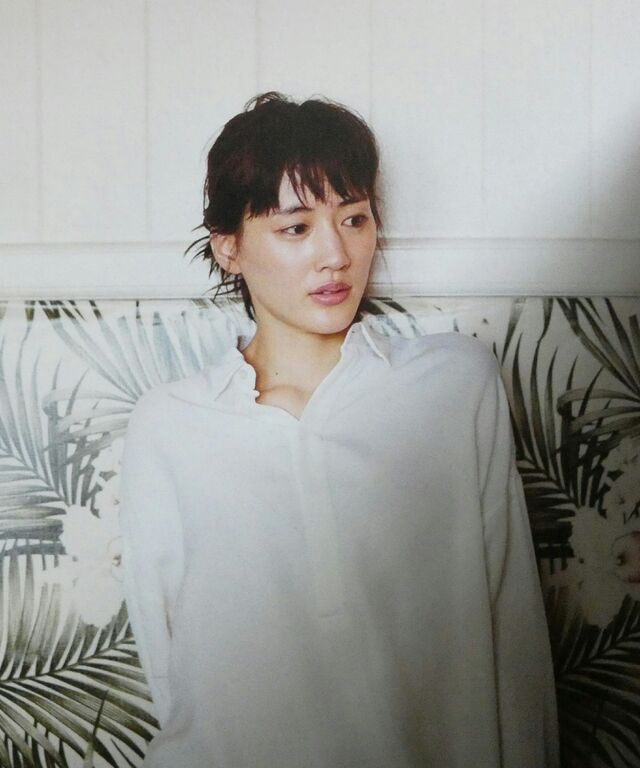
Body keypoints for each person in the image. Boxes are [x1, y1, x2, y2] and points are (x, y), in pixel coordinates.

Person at [118, 91, 560, 767]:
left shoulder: (454, 386)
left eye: (354, 219)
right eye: (295, 228)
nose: (336, 254)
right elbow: (170, 668)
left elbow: (515, 633)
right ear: (229, 248)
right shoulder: (170, 426)